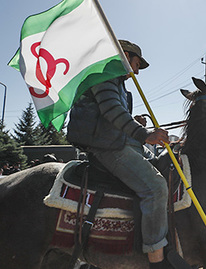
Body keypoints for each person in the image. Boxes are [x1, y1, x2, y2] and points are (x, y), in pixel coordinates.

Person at [67, 40, 183, 269]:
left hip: (120, 143)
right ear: (124, 56)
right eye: (136, 64)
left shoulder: (118, 83)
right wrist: (144, 133)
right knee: (156, 187)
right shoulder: (103, 74)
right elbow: (112, 111)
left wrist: (135, 123)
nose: (136, 71)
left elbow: (115, 116)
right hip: (108, 149)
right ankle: (156, 260)